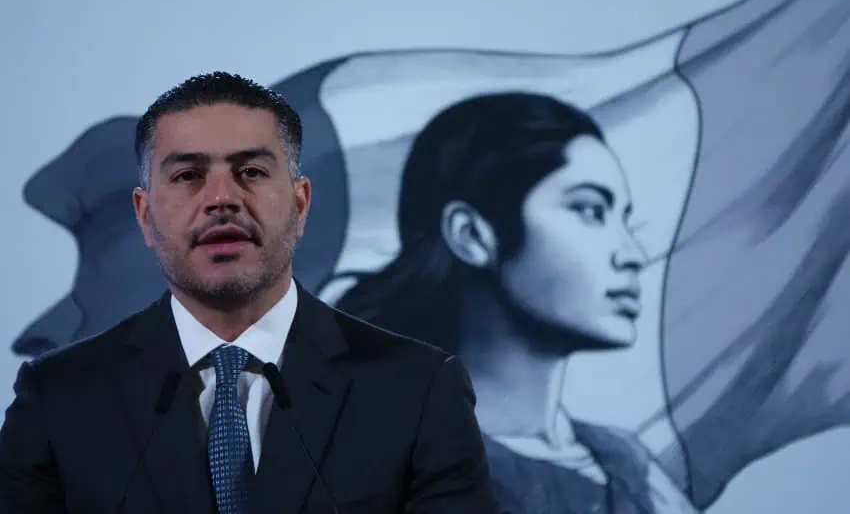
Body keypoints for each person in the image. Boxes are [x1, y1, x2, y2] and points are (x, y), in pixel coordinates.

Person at [0, 72, 499, 514]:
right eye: (188, 176)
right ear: (145, 216)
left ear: (301, 205)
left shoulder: (418, 388)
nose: (222, 199)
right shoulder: (59, 398)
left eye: (252, 172)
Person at [334, 92, 699, 513]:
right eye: (590, 210)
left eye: (624, 219)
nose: (632, 253)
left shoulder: (627, 465)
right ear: (471, 236)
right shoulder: (392, 463)